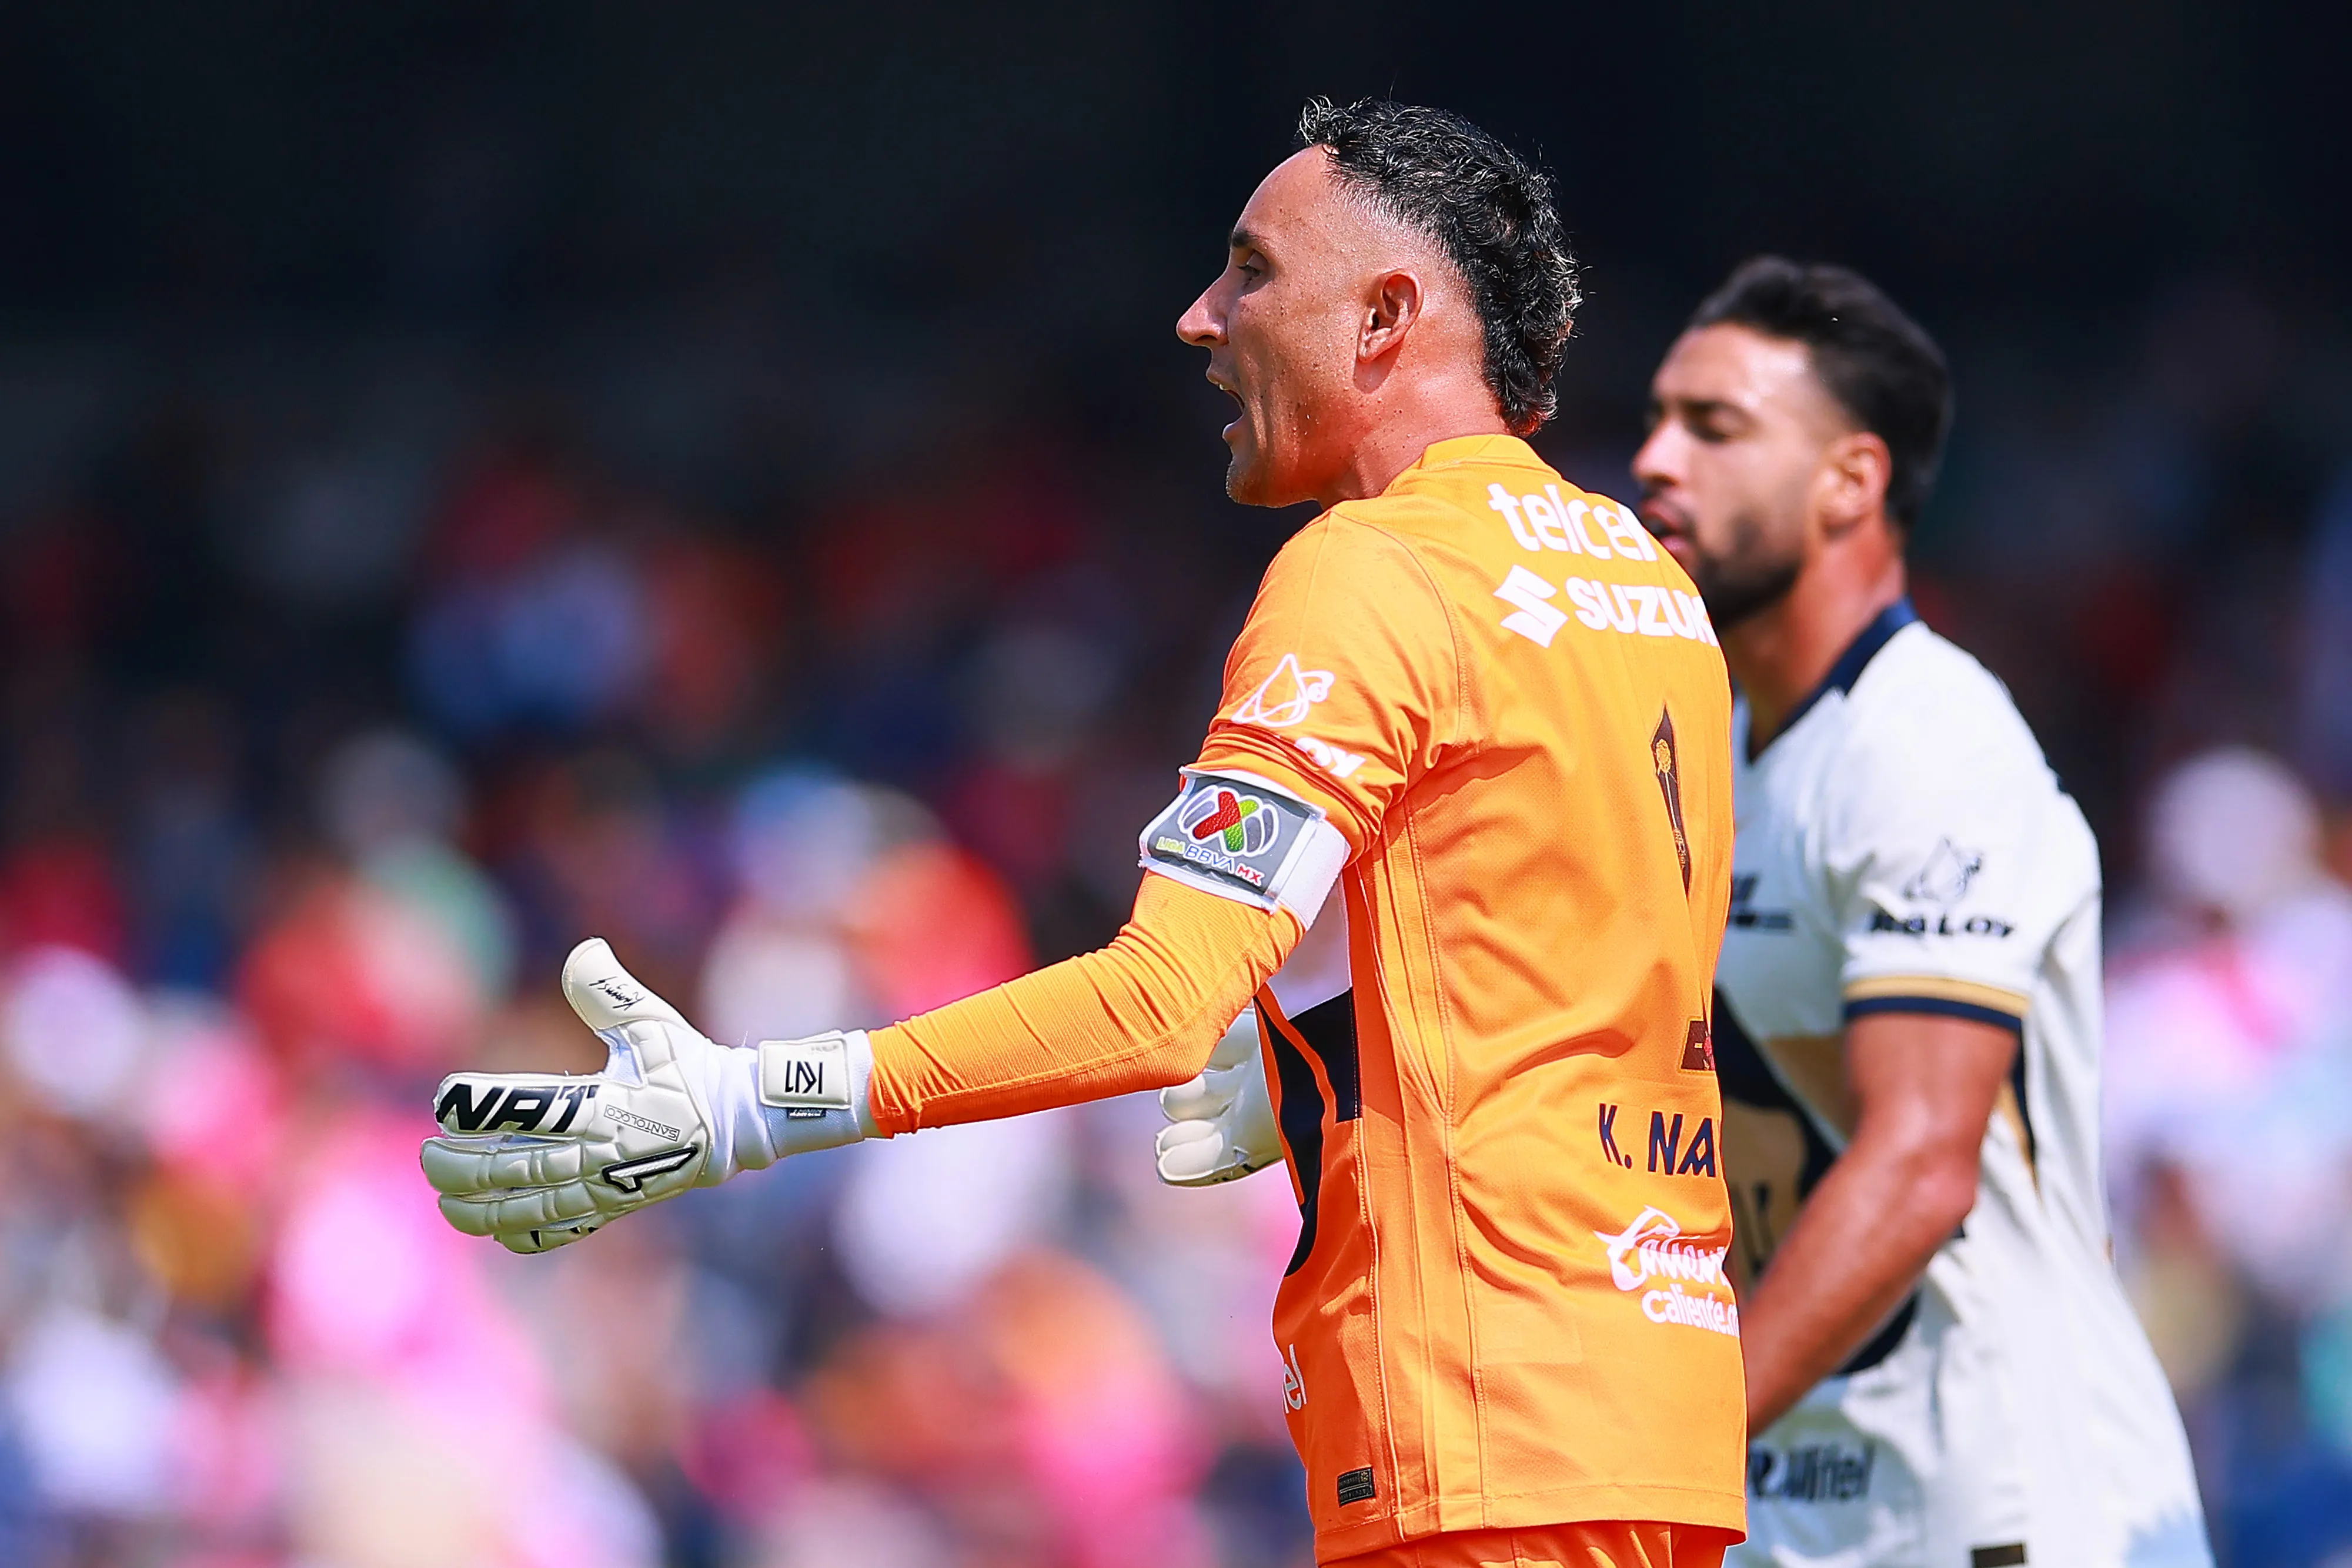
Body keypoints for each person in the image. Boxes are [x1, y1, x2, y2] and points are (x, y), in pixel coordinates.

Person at [423, 99, 1749, 1568]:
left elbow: (1156, 1001)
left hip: (1475, 1434)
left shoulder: (1369, 571)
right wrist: (1315, 1061)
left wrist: (746, 1105)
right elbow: (1582, 983)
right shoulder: (1643, 582)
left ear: (1384, 315)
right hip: (1654, 1423)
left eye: (1249, 272)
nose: (1199, 319)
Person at [1631, 258, 2211, 1566]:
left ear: (1852, 480)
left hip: (2008, 1506)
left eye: (1714, 427)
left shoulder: (1927, 742)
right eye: (1659, 416)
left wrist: (1658, 1440)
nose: (1655, 458)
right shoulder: (1692, 746)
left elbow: (1917, 1164)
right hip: (1803, 1509)